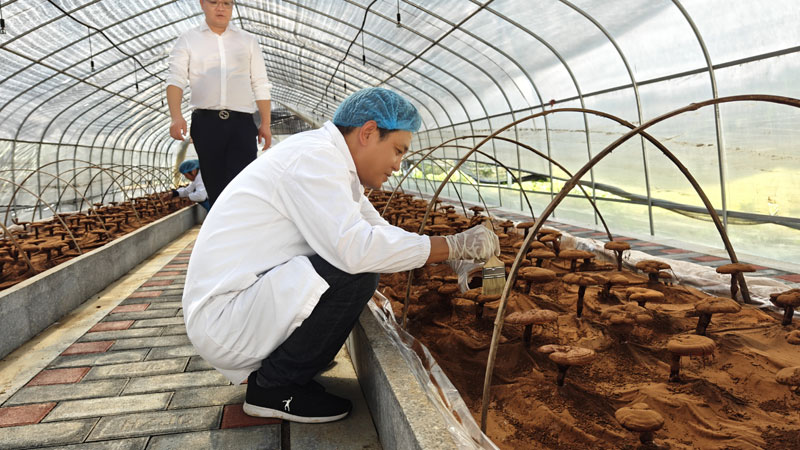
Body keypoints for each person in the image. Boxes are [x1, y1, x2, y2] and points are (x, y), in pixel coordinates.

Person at [182, 88, 499, 423]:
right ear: (368, 133)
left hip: (244, 302)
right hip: (226, 316)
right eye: (397, 151)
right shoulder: (314, 160)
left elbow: (379, 230)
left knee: (355, 263)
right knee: (355, 272)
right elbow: (357, 250)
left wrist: (449, 253)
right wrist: (454, 245)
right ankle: (275, 387)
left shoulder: (334, 165)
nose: (398, 165)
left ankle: (289, 371)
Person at [165, 0, 272, 206]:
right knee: (215, 187)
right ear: (202, 3)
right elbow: (175, 79)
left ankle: (244, 224)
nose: (221, 8)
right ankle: (221, 222)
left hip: (242, 124)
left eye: (227, 3)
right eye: (214, 2)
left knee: (245, 184)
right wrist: (176, 117)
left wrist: (265, 123)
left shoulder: (248, 41)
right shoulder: (188, 39)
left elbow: (260, 83)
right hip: (206, 124)